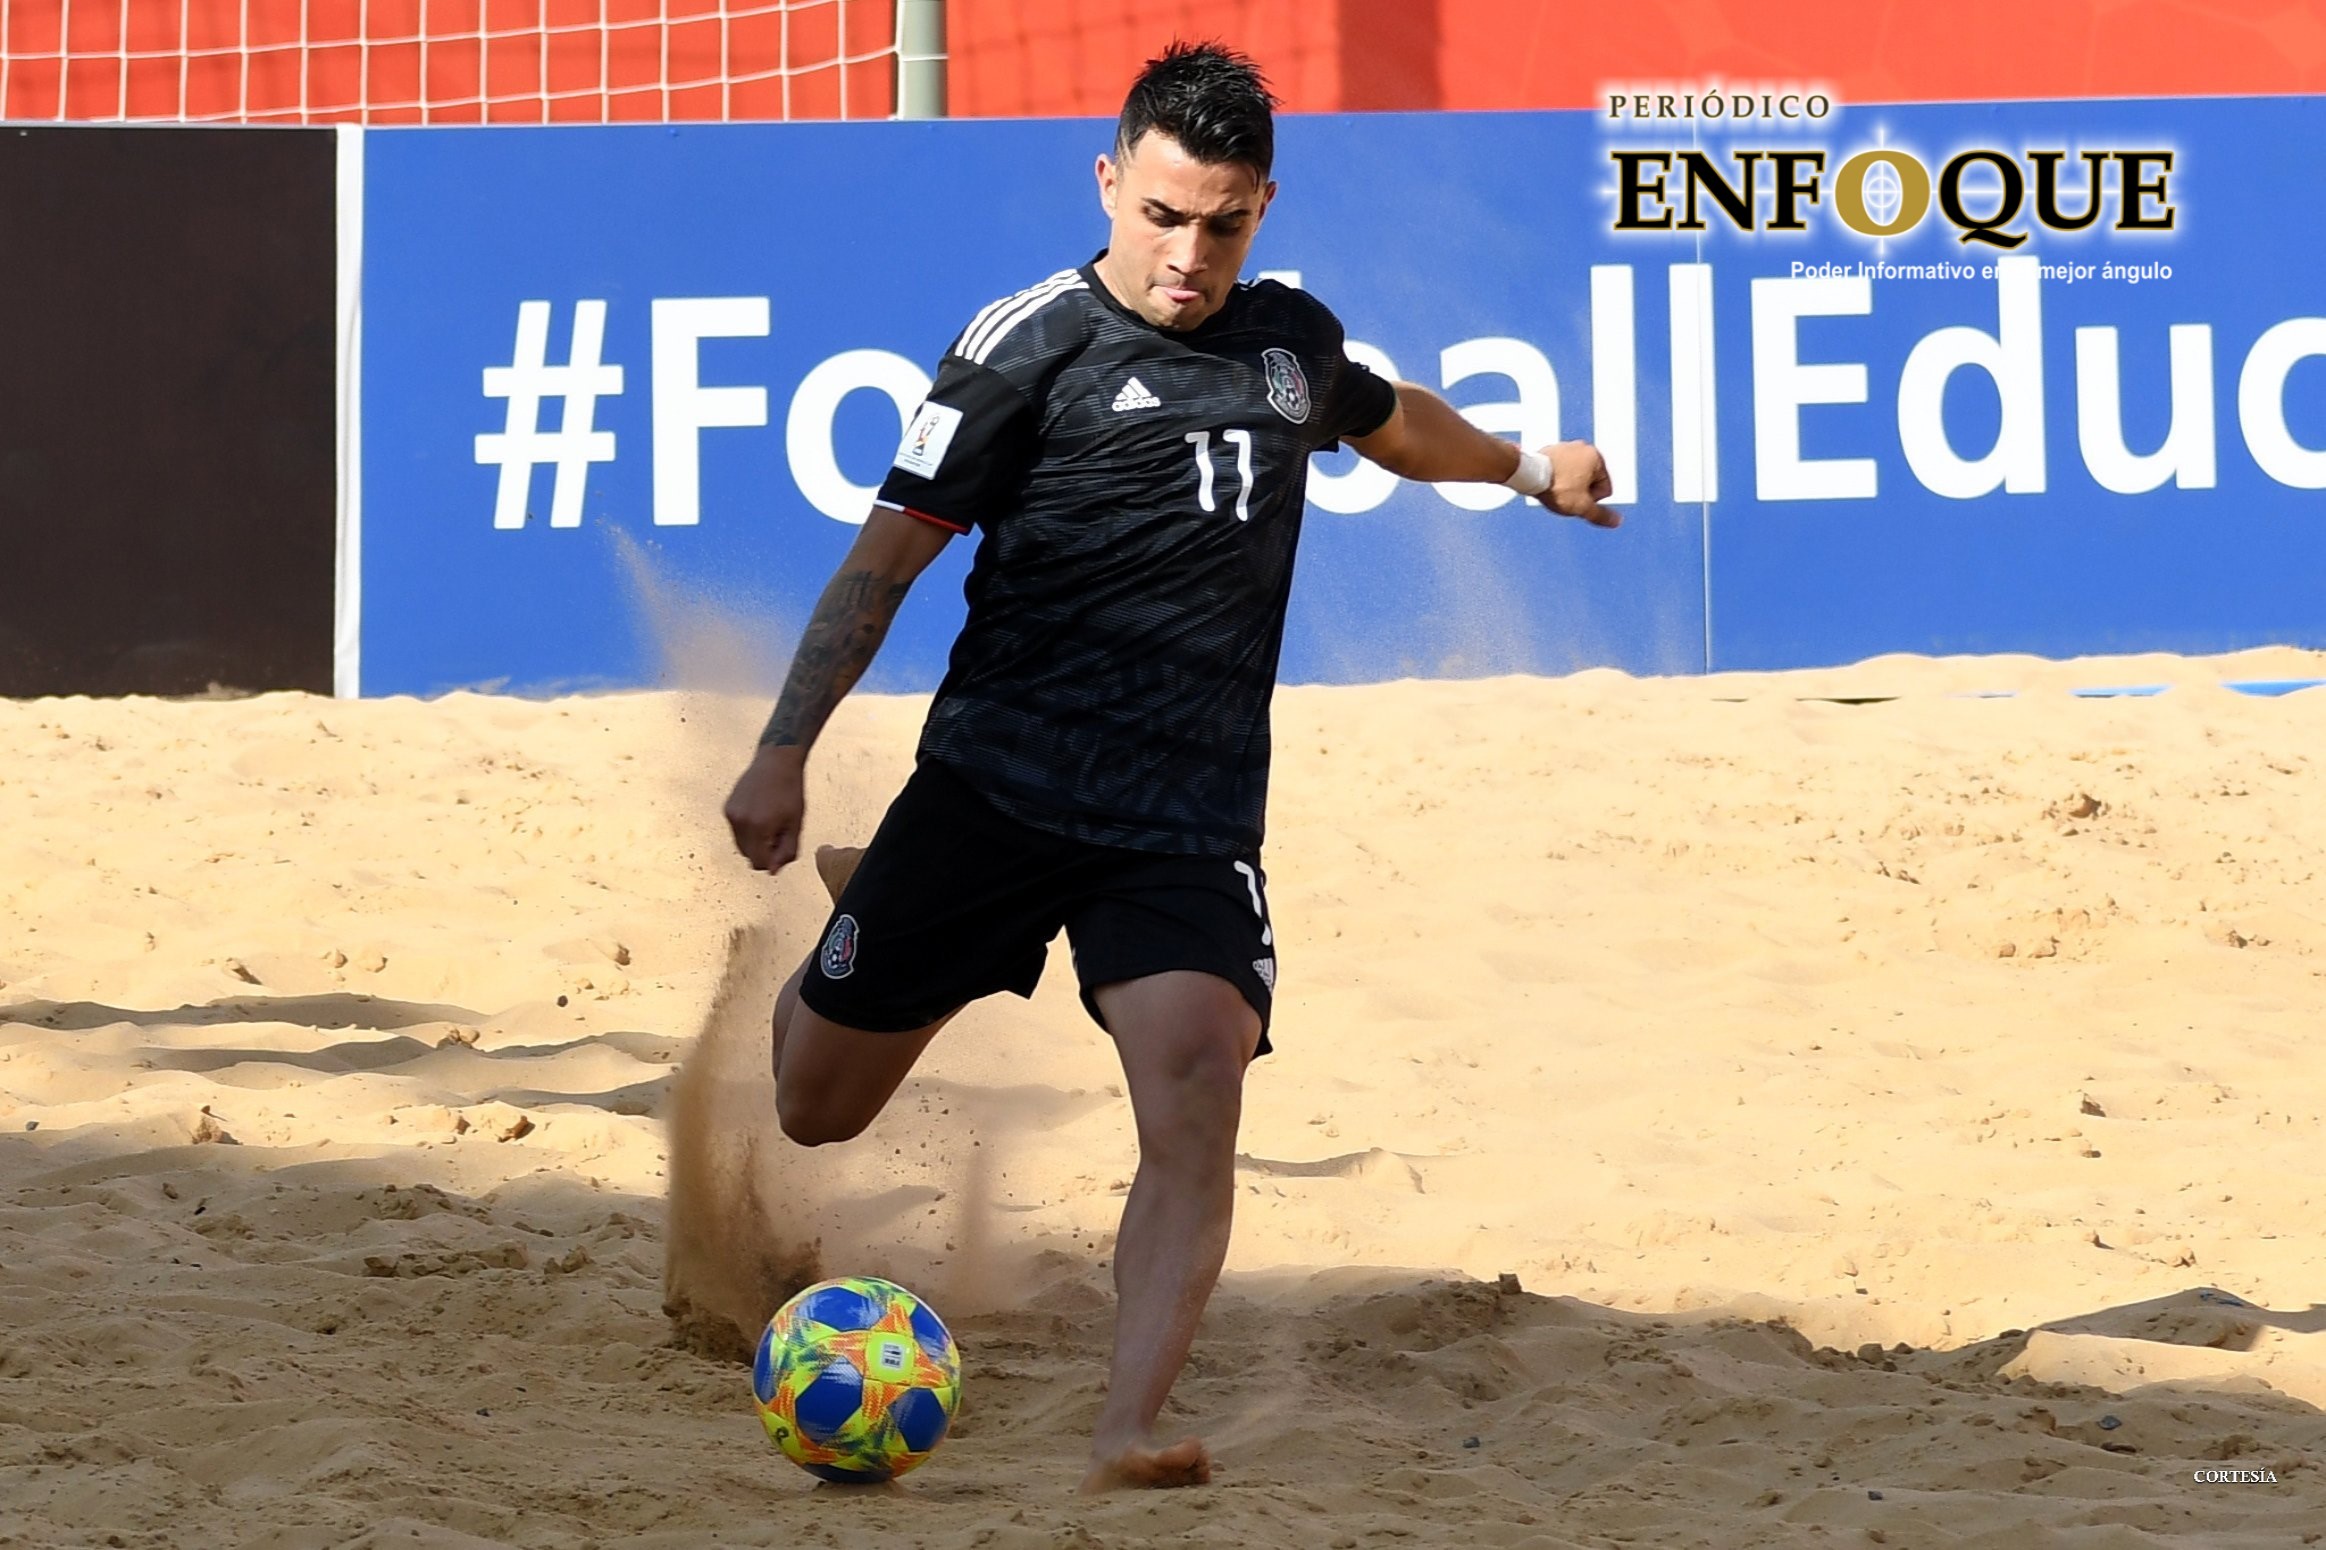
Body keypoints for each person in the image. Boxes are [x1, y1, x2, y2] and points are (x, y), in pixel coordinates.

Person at [724, 40, 1620, 1492]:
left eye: (1221, 223)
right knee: (812, 1104)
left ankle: (1127, 1420)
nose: (1186, 255)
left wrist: (1527, 468)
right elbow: (883, 560)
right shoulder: (1027, 345)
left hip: (1183, 819)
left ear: (1260, 206)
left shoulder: (1289, 345)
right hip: (994, 789)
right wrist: (780, 753)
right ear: (1108, 181)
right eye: (1160, 215)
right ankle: (873, 901)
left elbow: (1394, 427)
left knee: (1200, 1076)